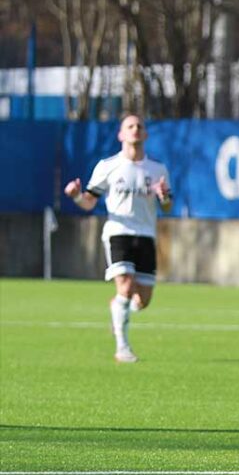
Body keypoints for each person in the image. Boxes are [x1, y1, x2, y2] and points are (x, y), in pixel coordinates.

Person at [63, 113, 173, 363]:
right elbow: (89, 202)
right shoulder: (108, 166)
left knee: (142, 300)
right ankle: (122, 347)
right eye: (130, 126)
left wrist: (163, 197)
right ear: (121, 135)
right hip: (118, 233)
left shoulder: (157, 169)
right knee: (124, 285)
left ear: (145, 134)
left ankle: (118, 313)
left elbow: (167, 206)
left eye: (139, 126)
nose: (135, 129)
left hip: (146, 235)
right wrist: (76, 196)